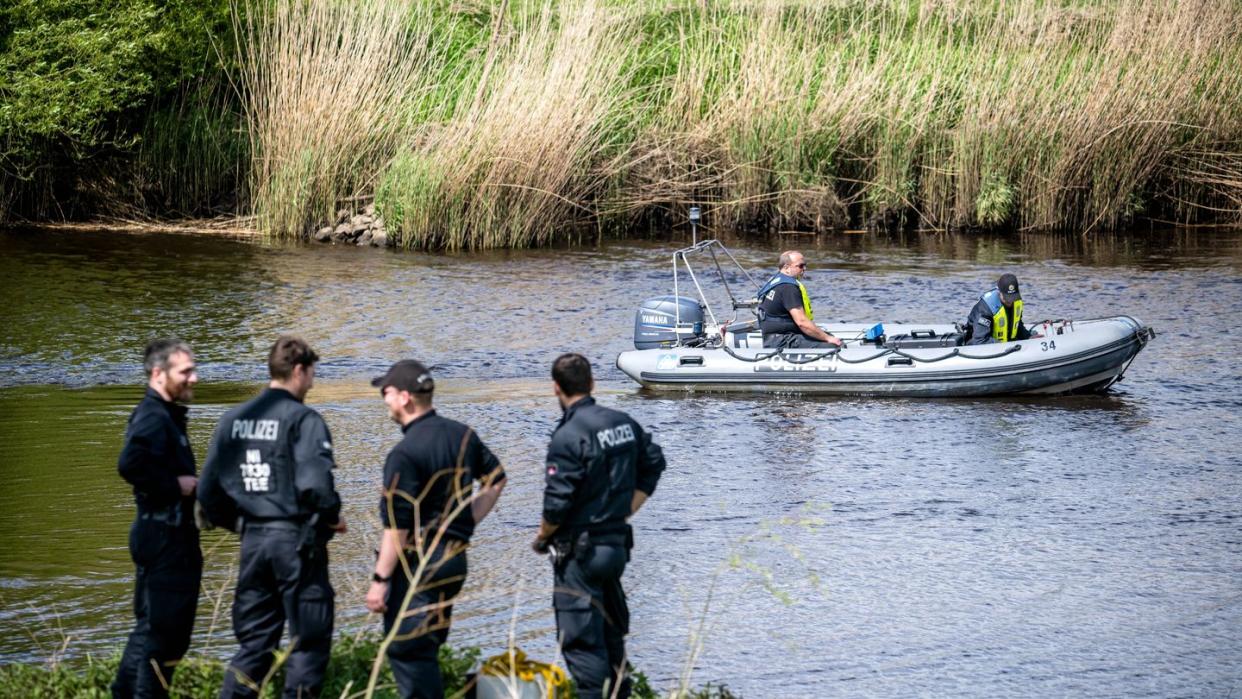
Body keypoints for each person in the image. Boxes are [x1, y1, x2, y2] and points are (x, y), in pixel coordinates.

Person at [197, 336, 345, 699]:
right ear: (299, 371)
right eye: (311, 374)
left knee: (254, 644)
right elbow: (316, 486)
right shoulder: (303, 419)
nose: (312, 383)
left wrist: (243, 525)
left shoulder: (233, 419)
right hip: (296, 542)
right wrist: (329, 518)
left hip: (254, 542)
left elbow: (207, 493)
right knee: (308, 643)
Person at [364, 360, 506, 699]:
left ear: (404, 397)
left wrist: (380, 581)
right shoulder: (462, 435)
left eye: (386, 392)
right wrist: (463, 523)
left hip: (420, 565)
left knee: (407, 650)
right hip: (453, 560)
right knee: (425, 647)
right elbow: (496, 480)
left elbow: (397, 528)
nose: (383, 399)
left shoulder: (404, 453)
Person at [532, 354, 666, 699]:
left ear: (556, 388)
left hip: (580, 553)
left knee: (582, 645)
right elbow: (654, 462)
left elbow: (557, 503)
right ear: (592, 383)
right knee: (610, 635)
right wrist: (625, 511)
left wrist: (542, 536)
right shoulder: (621, 422)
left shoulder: (567, 435)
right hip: (616, 545)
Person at [112, 338, 203, 699]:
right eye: (186, 371)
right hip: (164, 537)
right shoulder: (153, 416)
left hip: (164, 534)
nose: (194, 378)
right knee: (164, 637)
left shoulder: (165, 415)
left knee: (154, 631)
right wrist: (174, 485)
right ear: (158, 373)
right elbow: (129, 464)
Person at [756, 250, 843, 349]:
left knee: (827, 336)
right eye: (800, 266)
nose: (804, 269)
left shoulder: (776, 279)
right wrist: (827, 338)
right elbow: (802, 322)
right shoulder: (788, 287)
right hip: (782, 339)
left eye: (805, 265)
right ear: (787, 268)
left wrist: (824, 335)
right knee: (833, 346)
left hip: (774, 335)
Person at [965, 273, 1031, 345]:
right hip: (978, 344)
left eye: (1013, 297)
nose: (1010, 301)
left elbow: (1017, 326)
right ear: (999, 292)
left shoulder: (1017, 302)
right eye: (1007, 297)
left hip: (1003, 343)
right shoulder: (985, 308)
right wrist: (1004, 345)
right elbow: (979, 340)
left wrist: (1029, 337)